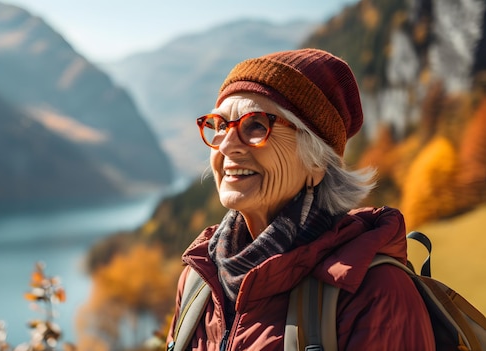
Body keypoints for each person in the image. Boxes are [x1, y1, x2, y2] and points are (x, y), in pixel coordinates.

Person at [165, 48, 436, 350]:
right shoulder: (198, 280)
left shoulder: (372, 293)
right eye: (220, 125)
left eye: (255, 124)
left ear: (316, 162)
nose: (227, 145)